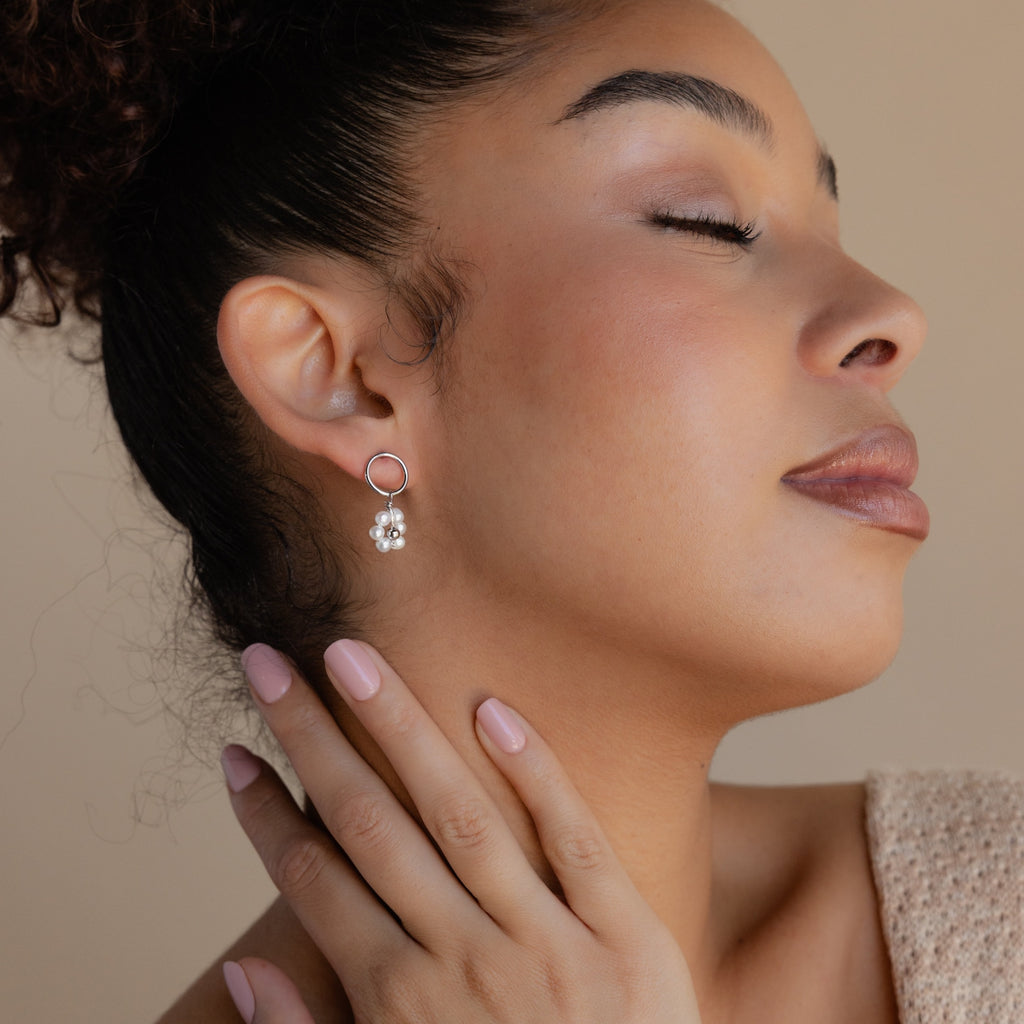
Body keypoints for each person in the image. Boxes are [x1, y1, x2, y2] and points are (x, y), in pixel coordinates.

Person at [2, 1, 1021, 1021]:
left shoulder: (994, 907)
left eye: (830, 229)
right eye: (702, 219)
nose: (892, 314)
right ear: (337, 376)